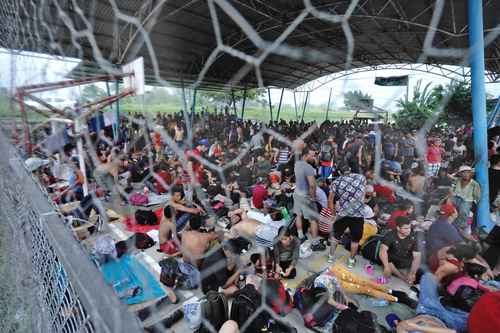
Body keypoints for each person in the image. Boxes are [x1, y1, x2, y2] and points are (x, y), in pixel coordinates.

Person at [328, 165, 366, 268]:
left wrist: (333, 214)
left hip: (343, 214)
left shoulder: (336, 182)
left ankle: (331, 257)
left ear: (339, 172)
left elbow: (330, 200)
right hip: (358, 215)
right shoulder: (361, 178)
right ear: (350, 170)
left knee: (336, 237)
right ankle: (351, 261)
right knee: (355, 240)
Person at [293, 144, 325, 251]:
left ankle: (301, 236)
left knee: (298, 215)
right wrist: (312, 197)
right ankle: (315, 243)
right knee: (313, 220)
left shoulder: (297, 164)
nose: (314, 157)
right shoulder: (308, 168)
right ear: (306, 155)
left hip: (297, 194)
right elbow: (312, 185)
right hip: (306, 196)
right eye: (312, 155)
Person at [379, 217, 421, 285]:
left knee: (418, 276)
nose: (408, 230)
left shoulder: (413, 237)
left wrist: (413, 273)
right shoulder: (390, 235)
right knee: (388, 264)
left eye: (409, 228)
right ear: (398, 228)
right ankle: (401, 277)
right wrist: (386, 267)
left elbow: (417, 257)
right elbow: (382, 251)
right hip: (393, 262)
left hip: (406, 263)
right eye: (405, 228)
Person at [426, 203, 464, 267]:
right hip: (437, 259)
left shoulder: (439, 221)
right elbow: (461, 244)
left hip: (432, 254)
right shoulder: (447, 226)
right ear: (453, 214)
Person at [452, 165, 480, 234]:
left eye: (467, 172)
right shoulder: (457, 180)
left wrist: (474, 202)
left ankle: (460, 228)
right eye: (463, 172)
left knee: (463, 211)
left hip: (466, 201)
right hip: (455, 198)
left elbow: (477, 196)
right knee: (450, 209)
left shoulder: (474, 184)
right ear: (461, 174)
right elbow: (452, 189)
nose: (465, 174)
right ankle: (451, 226)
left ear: (470, 174)